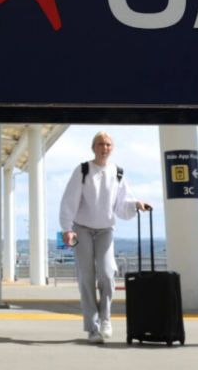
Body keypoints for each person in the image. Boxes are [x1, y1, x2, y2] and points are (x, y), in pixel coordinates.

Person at [59, 131, 151, 344]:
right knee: (87, 277)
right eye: (101, 144)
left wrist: (136, 204)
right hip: (80, 228)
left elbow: (121, 205)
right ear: (94, 147)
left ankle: (105, 319)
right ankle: (92, 328)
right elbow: (69, 201)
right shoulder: (83, 170)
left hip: (105, 229)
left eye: (108, 144)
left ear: (112, 148)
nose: (105, 148)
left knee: (108, 274)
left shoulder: (117, 173)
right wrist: (67, 228)